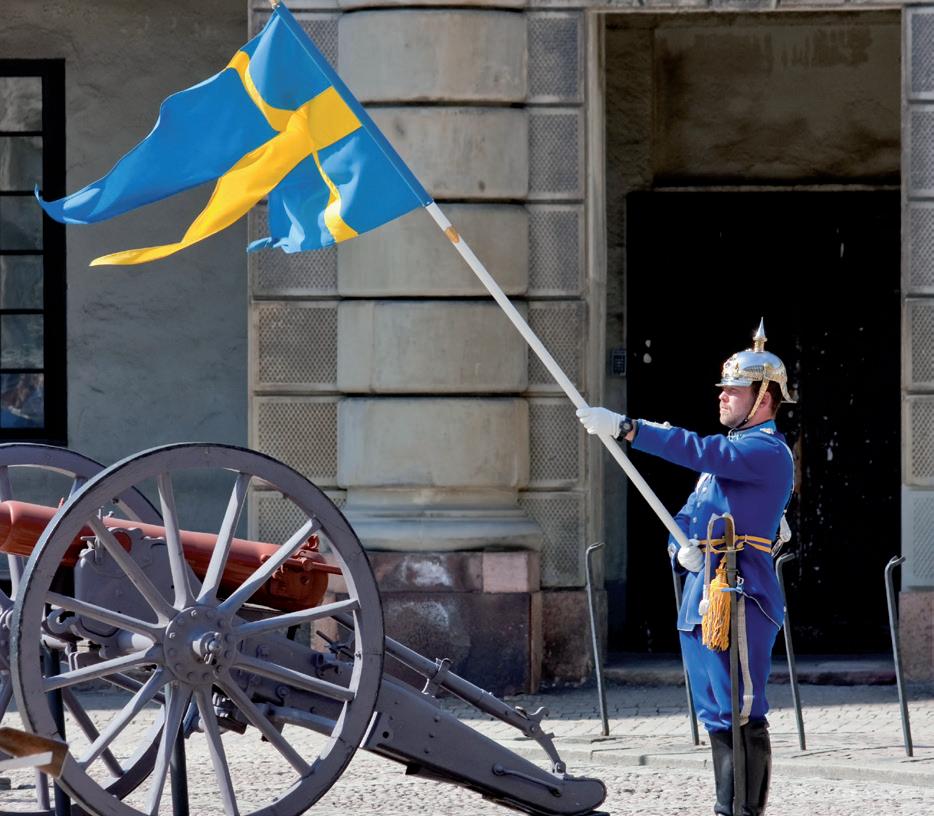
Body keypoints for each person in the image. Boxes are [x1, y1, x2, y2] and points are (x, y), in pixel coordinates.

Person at [577, 320, 795, 816]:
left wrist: (630, 428)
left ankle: (743, 812)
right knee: (714, 710)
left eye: (733, 390)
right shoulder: (727, 459)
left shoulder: (764, 449)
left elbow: (699, 449)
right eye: (723, 388)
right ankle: (725, 806)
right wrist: (680, 545)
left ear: (763, 399)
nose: (722, 396)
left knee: (740, 707)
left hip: (741, 591)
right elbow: (688, 512)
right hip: (704, 589)